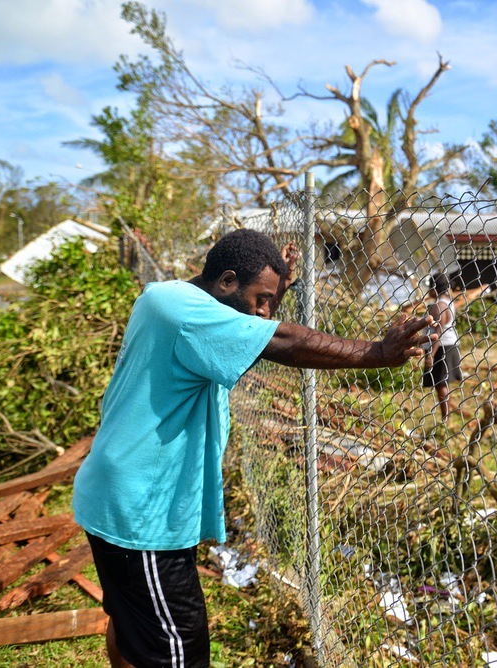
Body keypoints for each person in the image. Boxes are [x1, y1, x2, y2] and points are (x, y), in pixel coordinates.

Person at [72, 229, 436, 668]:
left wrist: (271, 286)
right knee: (178, 653)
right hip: (142, 512)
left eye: (271, 301)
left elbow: (257, 321)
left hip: (119, 494)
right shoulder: (189, 315)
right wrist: (376, 352)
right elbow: (282, 339)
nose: (264, 312)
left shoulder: (165, 295)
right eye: (260, 298)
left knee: (134, 624)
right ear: (226, 282)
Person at [421, 273, 488, 421]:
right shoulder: (446, 301)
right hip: (446, 345)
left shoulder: (439, 306)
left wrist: (430, 355)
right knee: (442, 383)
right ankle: (447, 413)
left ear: (435, 287)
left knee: (440, 384)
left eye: (430, 287)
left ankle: (445, 418)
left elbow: (438, 333)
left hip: (441, 347)